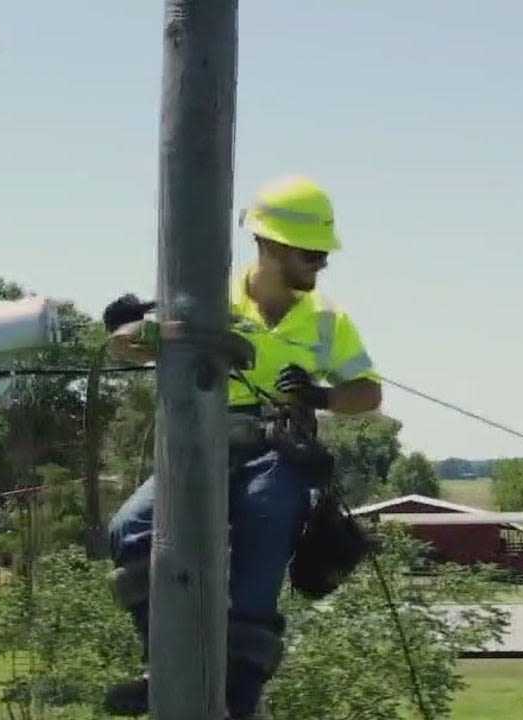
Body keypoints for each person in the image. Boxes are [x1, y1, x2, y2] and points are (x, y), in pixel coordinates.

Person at [101, 174, 383, 719]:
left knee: (265, 525)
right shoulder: (207, 299)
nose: (321, 263)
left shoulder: (328, 321)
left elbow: (367, 393)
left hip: (278, 450)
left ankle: (240, 695)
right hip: (199, 442)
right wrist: (128, 338)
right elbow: (137, 346)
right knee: (130, 531)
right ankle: (164, 669)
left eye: (324, 253)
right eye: (311, 252)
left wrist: (321, 395)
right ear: (270, 245)